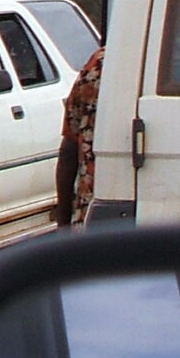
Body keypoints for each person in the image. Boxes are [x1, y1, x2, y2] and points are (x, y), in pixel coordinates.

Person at [54, 42, 105, 229]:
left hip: (94, 212)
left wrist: (63, 221)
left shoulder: (98, 67)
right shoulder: (173, 60)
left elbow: (69, 148)